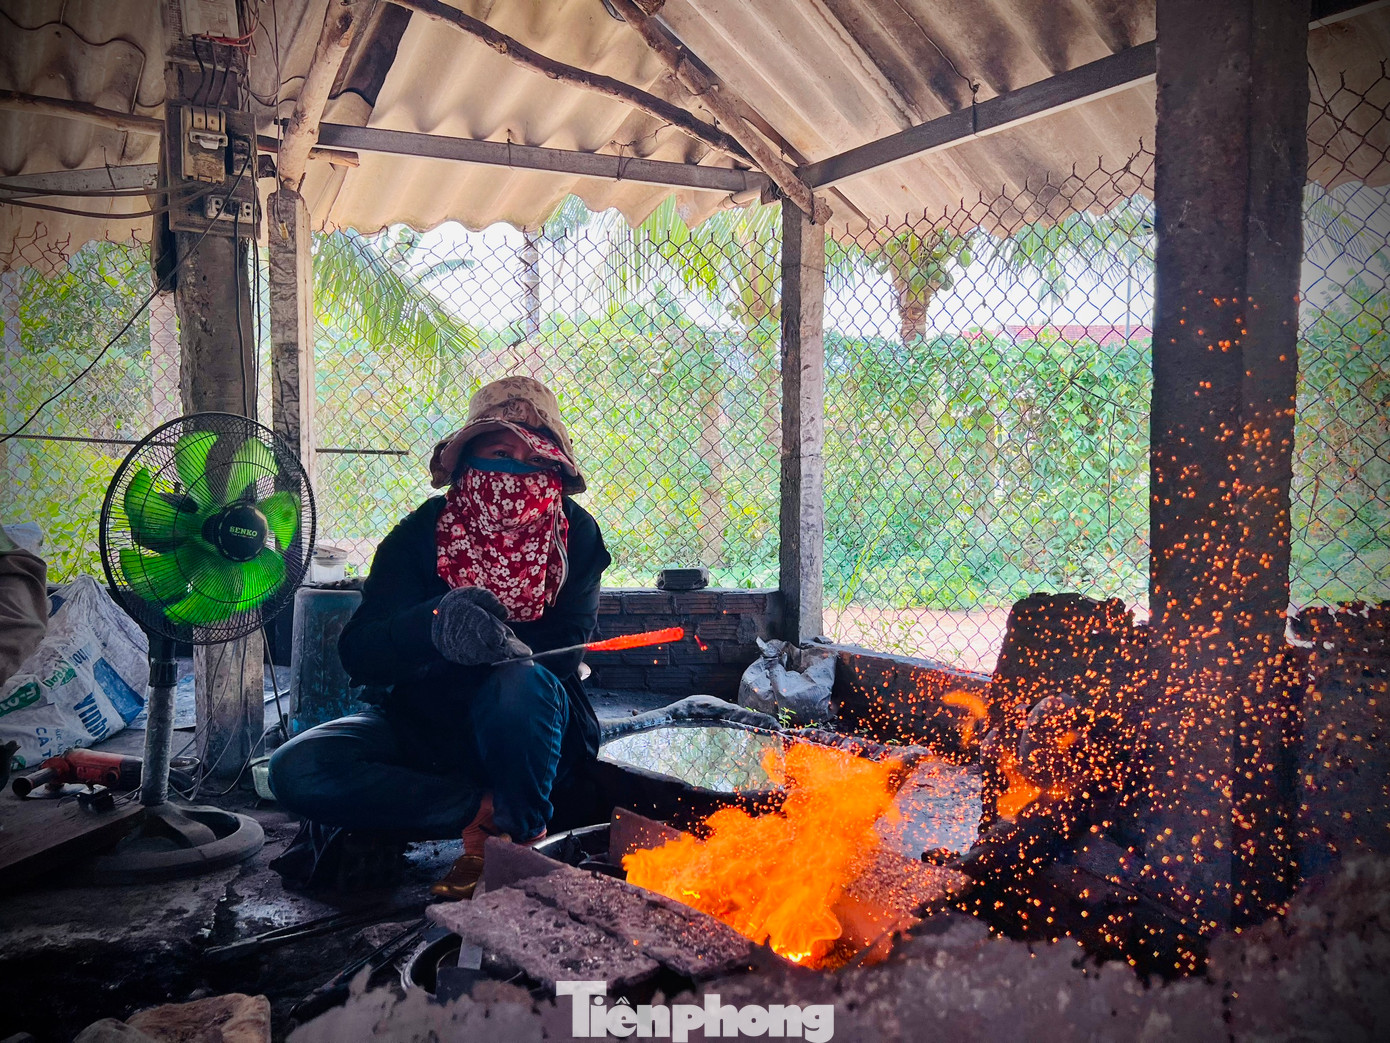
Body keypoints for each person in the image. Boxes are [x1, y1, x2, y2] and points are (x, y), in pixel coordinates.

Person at [269, 376, 611, 898]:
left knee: (520, 684)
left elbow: (568, 650)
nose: (514, 470)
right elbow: (360, 653)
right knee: (297, 768)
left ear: (552, 464)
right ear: (469, 458)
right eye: (499, 451)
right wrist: (433, 625)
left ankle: (517, 841)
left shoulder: (576, 535)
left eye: (530, 456)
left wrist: (504, 651)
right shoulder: (418, 535)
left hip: (531, 738)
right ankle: (481, 813)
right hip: (423, 728)